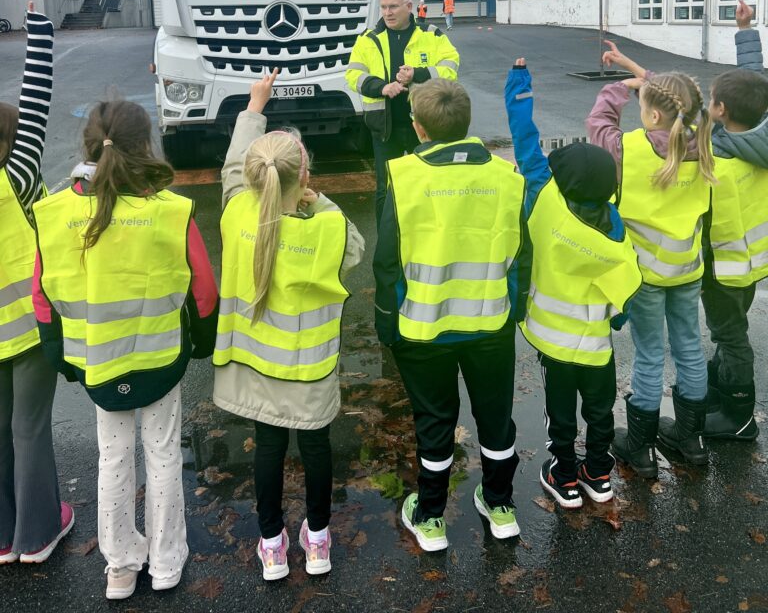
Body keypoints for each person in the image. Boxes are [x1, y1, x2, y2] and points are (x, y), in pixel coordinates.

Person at [33, 99, 219, 600]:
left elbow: (43, 294)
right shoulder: (170, 211)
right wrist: (201, 341)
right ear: (145, 146)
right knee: (162, 455)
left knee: (112, 458)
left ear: (89, 144)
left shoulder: (53, 213)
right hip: (160, 357)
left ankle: (119, 565)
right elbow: (204, 287)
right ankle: (165, 561)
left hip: (98, 361)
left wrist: (60, 356)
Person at [213, 69, 364, 581]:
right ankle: (318, 541)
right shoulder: (329, 228)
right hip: (311, 371)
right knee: (317, 448)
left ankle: (272, 543)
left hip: (257, 367)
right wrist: (314, 198)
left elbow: (234, 169)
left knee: (269, 449)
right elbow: (356, 248)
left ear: (256, 180)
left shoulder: (237, 217)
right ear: (304, 176)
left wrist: (255, 107)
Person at [373, 79, 529, 550]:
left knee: (435, 422)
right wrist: (513, 310)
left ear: (418, 128)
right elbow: (523, 254)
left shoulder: (404, 176)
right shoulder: (506, 177)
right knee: (495, 418)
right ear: (467, 124)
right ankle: (500, 505)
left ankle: (431, 515)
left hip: (424, 327)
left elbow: (387, 261)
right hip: (489, 321)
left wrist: (386, 321)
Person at [506, 59, 642, 508]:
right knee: (600, 409)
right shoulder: (615, 228)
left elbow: (525, 140)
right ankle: (599, 475)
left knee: (559, 411)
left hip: (551, 339)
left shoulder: (544, 197)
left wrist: (520, 83)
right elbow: (625, 288)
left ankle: (564, 476)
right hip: (596, 344)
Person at [588, 43, 716, 477]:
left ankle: (639, 447)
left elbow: (598, 124)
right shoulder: (703, 141)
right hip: (687, 270)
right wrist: (636, 70)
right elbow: (683, 99)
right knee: (689, 348)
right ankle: (692, 439)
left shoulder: (629, 149)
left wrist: (619, 88)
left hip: (644, 275)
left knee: (648, 354)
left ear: (654, 115)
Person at [0, 2, 73, 566]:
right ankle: (38, 533)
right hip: (26, 327)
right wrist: (40, 29)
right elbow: (36, 100)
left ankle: (4, 535)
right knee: (29, 428)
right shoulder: (16, 176)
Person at [703, 0, 768, 440]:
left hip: (725, 267)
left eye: (711, 101)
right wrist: (746, 31)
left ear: (722, 110)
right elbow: (757, 82)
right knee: (731, 328)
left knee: (729, 333)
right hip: (752, 261)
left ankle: (739, 415)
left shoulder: (720, 162)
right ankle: (717, 386)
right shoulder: (759, 136)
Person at [346, 0, 460, 224]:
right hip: (385, 129)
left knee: (432, 184)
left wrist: (418, 74)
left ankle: (429, 235)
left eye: (393, 7)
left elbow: (451, 67)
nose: (387, 12)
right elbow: (353, 75)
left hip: (427, 127)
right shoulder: (368, 39)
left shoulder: (431, 34)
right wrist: (382, 88)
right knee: (386, 189)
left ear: (409, 7)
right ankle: (388, 245)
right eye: (384, 7)